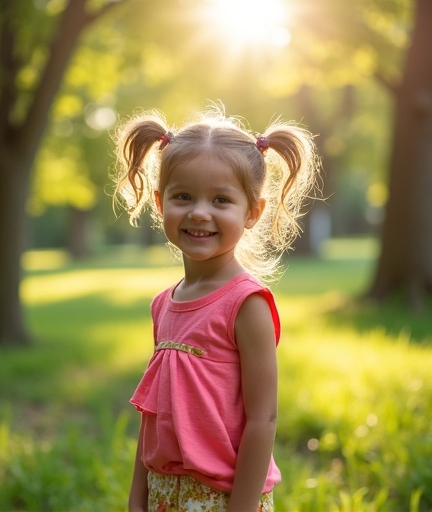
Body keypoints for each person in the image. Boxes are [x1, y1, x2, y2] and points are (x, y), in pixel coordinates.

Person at [112, 105, 320, 512]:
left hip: (225, 497)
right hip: (164, 493)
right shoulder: (164, 305)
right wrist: (137, 499)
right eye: (183, 196)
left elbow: (264, 421)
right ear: (160, 202)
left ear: (252, 212)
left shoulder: (246, 304)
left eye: (221, 199)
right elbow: (153, 414)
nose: (199, 212)